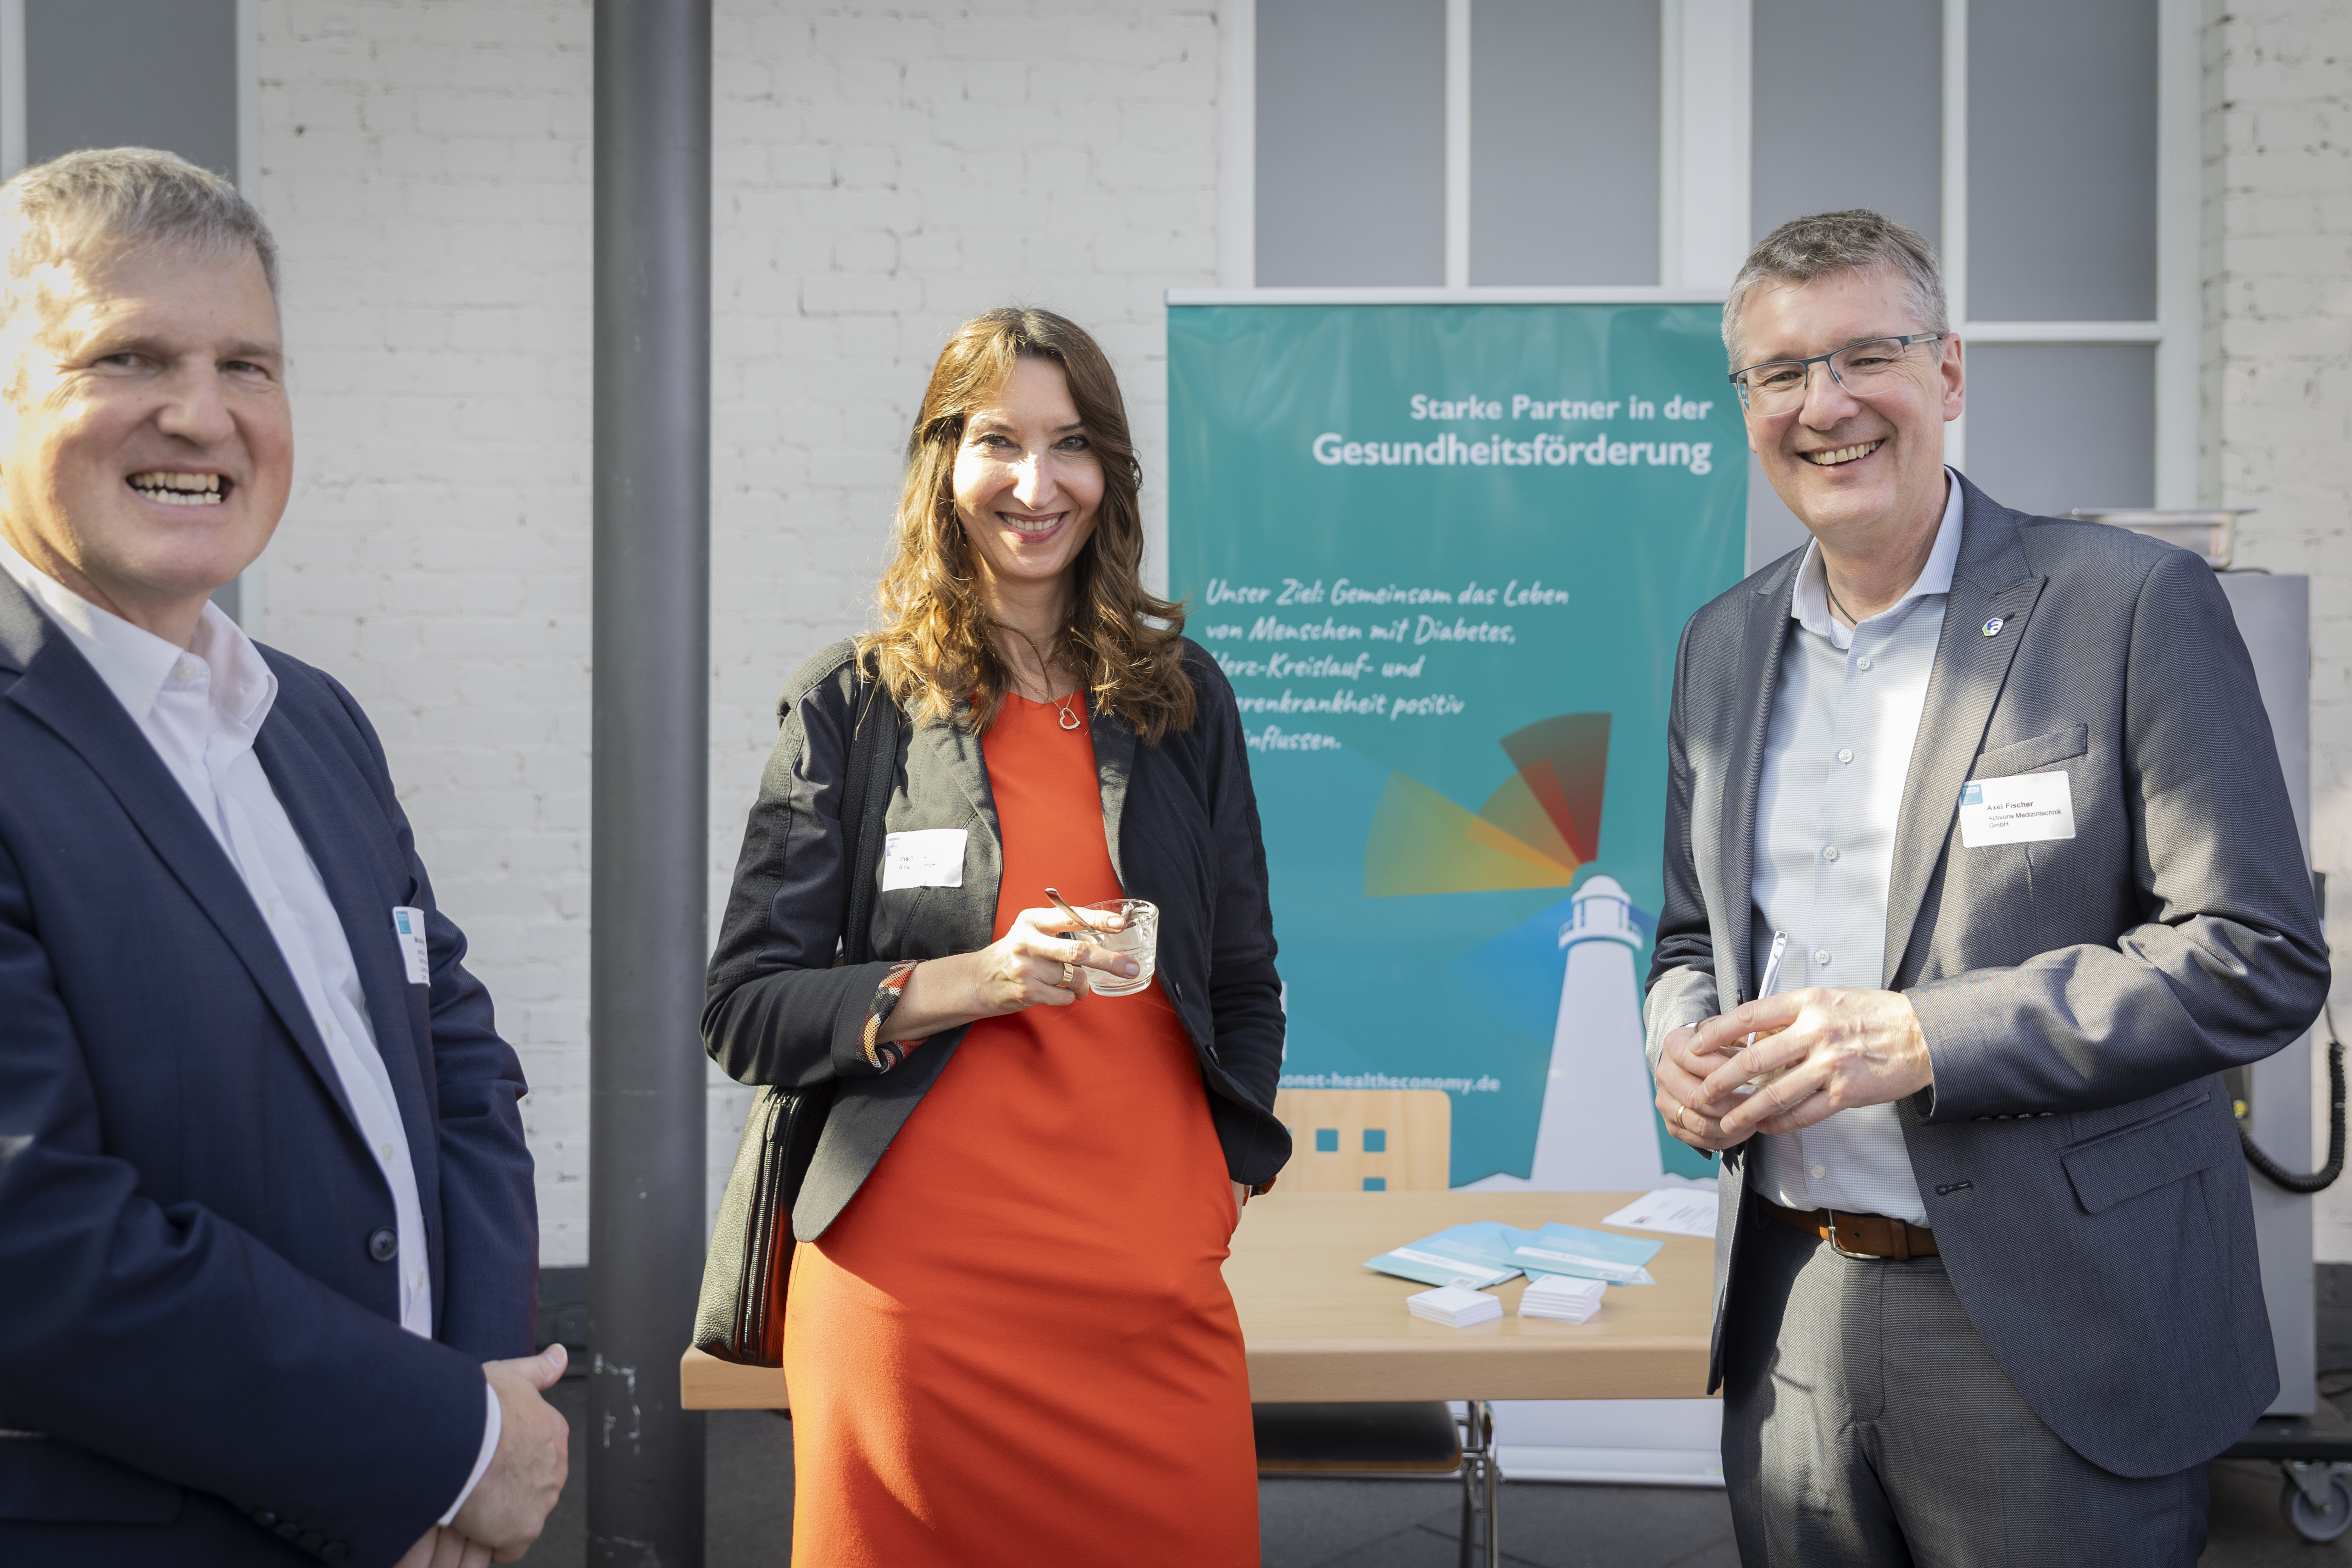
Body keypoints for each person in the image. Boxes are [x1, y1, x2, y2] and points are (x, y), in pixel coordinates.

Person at [1644, 209, 2329, 1566]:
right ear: (1747, 402)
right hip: (1790, 1301)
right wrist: (1677, 1037)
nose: (1824, 405)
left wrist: (1925, 1036)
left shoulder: (2130, 604)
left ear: (1947, 373)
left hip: (2056, 1324)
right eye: (1781, 372)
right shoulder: (1721, 642)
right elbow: (1689, 937)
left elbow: (2256, 952)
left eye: (1866, 356)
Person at [0, 150, 566, 1568]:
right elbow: (34, 1237)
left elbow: (460, 1066)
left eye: (246, 365)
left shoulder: (309, 721)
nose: (203, 414)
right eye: (129, 356)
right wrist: (442, 1444)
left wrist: (467, 1423)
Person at [704, 306, 1288, 1565]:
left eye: (1071, 443)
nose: (1037, 483)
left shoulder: (1184, 699)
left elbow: (1245, 976)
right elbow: (744, 1008)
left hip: (1151, 1287)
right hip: (915, 1304)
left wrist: (1222, 1182)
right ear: (943, 463)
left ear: (1110, 470)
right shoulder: (853, 706)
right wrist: (968, 981)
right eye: (998, 442)